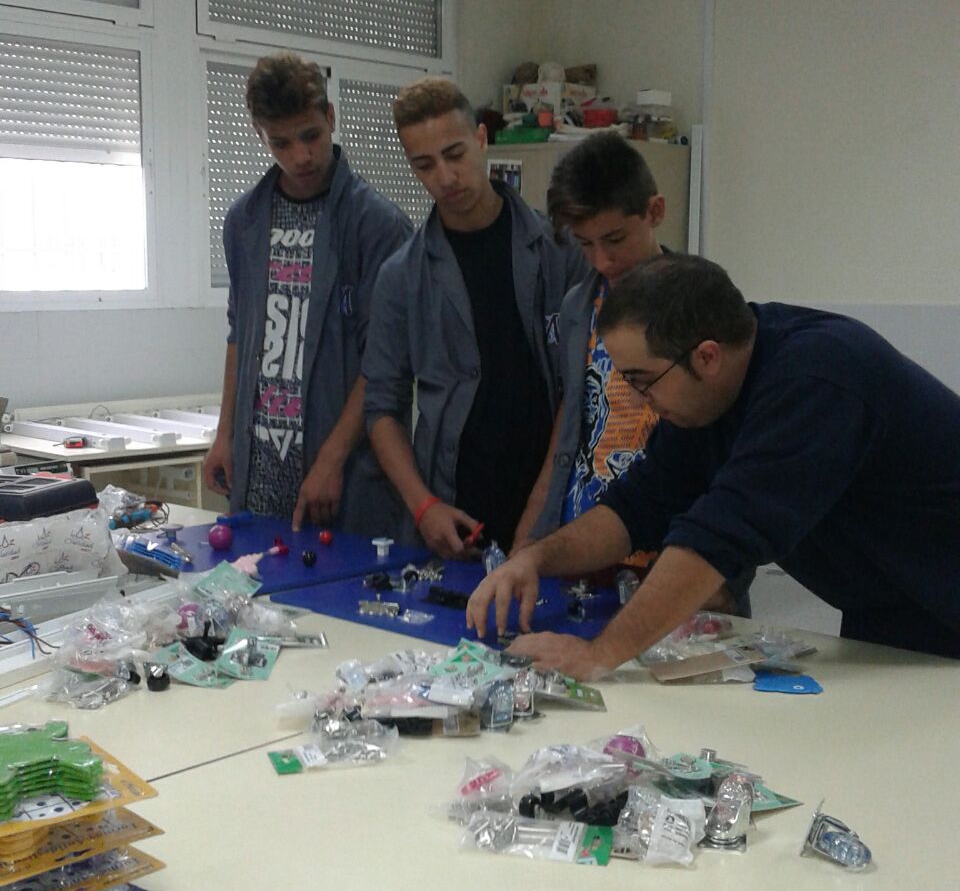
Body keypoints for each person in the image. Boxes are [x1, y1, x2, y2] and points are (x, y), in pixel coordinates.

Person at [467, 254, 960, 675]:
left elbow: (717, 537)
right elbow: (634, 508)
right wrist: (534, 559)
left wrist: (600, 654)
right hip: (891, 604)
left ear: (706, 356)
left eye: (642, 380)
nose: (637, 400)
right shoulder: (707, 398)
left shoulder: (817, 380)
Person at [363, 77, 587, 558]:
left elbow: (580, 389)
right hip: (455, 512)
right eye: (424, 165)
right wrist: (423, 507)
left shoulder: (559, 251)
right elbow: (381, 407)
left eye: (455, 154)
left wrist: (541, 510)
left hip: (554, 503)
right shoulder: (401, 276)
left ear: (482, 139)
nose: (445, 177)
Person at [203, 52, 411, 533]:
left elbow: (385, 364)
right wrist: (224, 435)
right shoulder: (244, 221)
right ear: (259, 134)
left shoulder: (377, 227)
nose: (300, 156)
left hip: (340, 475)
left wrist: (331, 460)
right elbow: (239, 334)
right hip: (258, 472)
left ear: (330, 118)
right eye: (281, 142)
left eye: (311, 136)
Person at [512, 130, 666, 552]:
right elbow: (570, 425)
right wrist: (527, 541)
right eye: (585, 244)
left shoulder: (696, 304)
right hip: (579, 539)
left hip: (658, 543)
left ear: (654, 211)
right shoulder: (578, 306)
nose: (602, 261)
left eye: (615, 240)